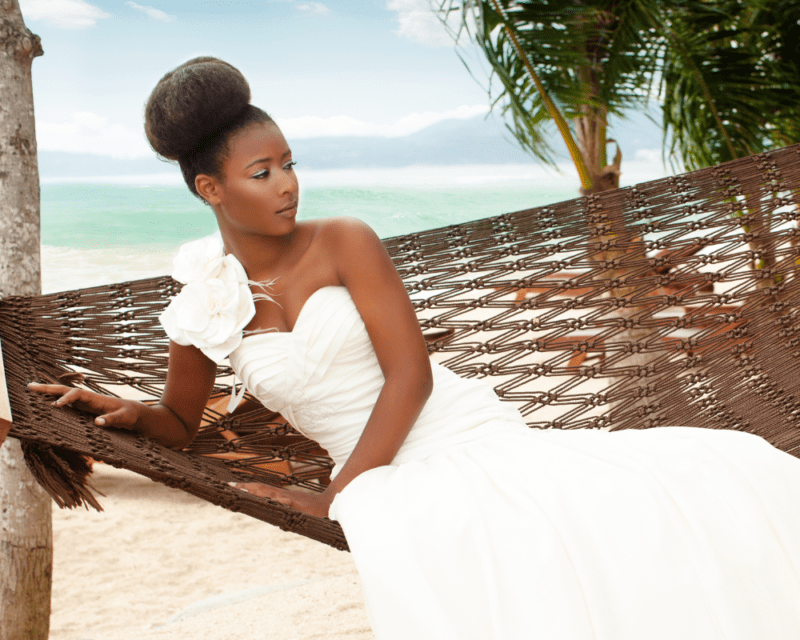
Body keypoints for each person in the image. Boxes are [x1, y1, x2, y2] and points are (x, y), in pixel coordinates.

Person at [29, 57, 800, 639]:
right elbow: (178, 424)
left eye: (291, 162)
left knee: (673, 497)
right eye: (263, 172)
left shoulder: (342, 241)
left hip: (452, 432)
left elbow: (413, 375)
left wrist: (338, 496)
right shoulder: (201, 302)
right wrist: (122, 412)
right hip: (376, 477)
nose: (288, 184)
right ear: (212, 190)